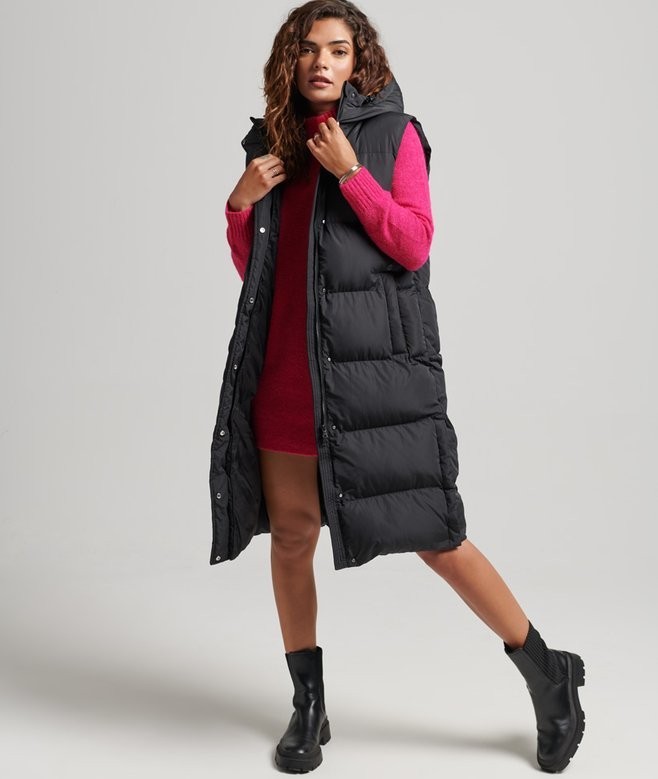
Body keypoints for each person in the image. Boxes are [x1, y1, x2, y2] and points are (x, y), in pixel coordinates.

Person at [213, 0, 586, 773]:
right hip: (285, 380)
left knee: (438, 539)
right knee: (292, 538)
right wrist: (240, 205)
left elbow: (413, 244)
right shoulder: (275, 144)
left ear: (360, 62)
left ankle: (548, 670)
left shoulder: (393, 136)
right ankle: (308, 704)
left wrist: (351, 175)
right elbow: (264, 277)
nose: (321, 62)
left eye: (337, 50)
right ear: (289, 60)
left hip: (370, 386)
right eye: (308, 49)